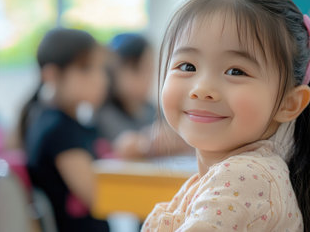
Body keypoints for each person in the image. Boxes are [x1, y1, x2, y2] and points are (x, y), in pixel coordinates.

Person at [142, 0, 310, 232]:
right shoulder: (229, 176)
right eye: (187, 66)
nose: (201, 88)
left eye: (236, 71)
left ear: (290, 103)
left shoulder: (244, 179)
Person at [20, 28, 110, 232]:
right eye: (86, 68)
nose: (101, 79)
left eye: (101, 68)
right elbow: (98, 197)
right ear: (52, 75)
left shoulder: (61, 122)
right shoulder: (59, 131)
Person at [97, 33, 190, 158]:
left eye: (150, 70)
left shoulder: (152, 109)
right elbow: (125, 148)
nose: (147, 79)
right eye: (137, 69)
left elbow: (182, 139)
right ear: (114, 70)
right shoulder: (103, 115)